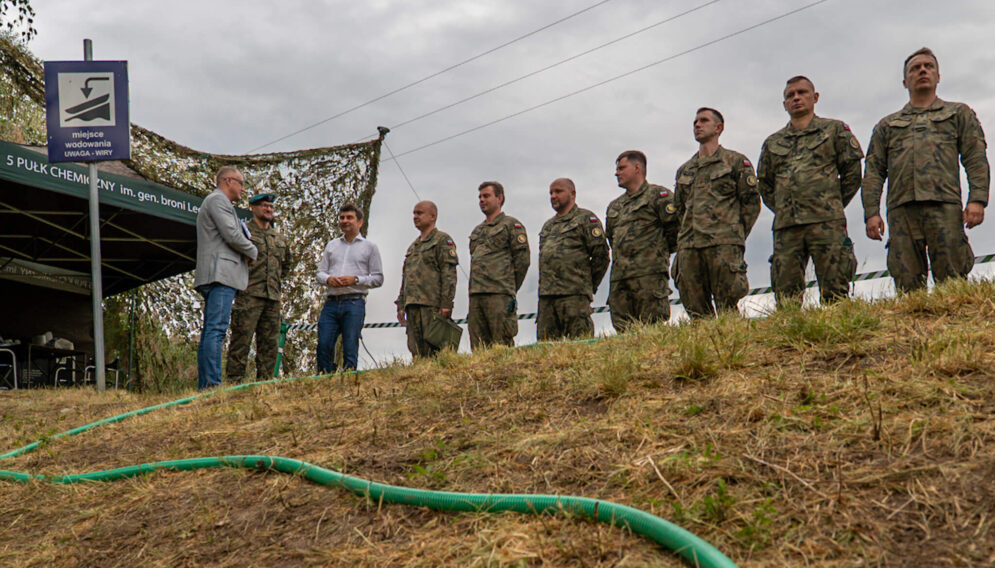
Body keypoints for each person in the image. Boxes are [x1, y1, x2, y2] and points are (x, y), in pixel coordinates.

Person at [862, 47, 989, 292]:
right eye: (915, 68)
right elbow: (874, 172)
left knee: (953, 285)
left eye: (928, 67)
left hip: (945, 208)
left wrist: (977, 200)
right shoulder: (887, 125)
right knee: (908, 287)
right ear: (905, 81)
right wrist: (871, 213)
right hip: (901, 212)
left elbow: (975, 158)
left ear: (938, 77)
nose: (922, 70)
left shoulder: (957, 113)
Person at [757, 75, 863, 305]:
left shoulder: (834, 129)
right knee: (786, 296)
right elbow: (764, 184)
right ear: (784, 104)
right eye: (790, 95)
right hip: (787, 227)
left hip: (826, 222)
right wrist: (784, 208)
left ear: (815, 97)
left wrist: (831, 202)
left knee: (836, 291)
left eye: (802, 93)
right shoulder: (773, 142)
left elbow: (853, 173)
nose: (796, 98)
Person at [673, 108, 761, 318]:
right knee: (697, 313)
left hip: (723, 245)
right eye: (695, 121)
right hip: (690, 247)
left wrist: (733, 235)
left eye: (704, 121)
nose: (697, 125)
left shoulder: (735, 161)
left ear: (719, 128)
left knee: (728, 308)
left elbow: (751, 204)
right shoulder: (685, 170)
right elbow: (680, 209)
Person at [194, 166, 258, 390]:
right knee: (216, 329)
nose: (242, 188)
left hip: (217, 273)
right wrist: (252, 251)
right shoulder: (217, 201)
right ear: (228, 181)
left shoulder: (217, 202)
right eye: (240, 183)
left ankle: (207, 384)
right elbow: (232, 234)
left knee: (211, 329)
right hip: (220, 275)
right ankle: (212, 384)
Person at [605, 150, 679, 332]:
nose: (617, 173)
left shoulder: (658, 196)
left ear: (637, 168)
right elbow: (611, 239)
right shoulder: (615, 206)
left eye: (622, 168)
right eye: (617, 169)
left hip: (649, 278)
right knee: (624, 334)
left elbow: (676, 231)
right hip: (620, 281)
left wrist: (655, 255)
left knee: (652, 333)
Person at [225, 192, 294, 381]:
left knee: (269, 345)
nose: (269, 209)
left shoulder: (278, 237)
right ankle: (234, 383)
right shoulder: (243, 232)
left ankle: (264, 384)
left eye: (271, 207)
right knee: (241, 342)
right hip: (248, 295)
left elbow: (286, 265)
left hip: (272, 298)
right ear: (253, 208)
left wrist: (274, 283)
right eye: (264, 206)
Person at [537, 178, 609, 340]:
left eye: (558, 191)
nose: (554, 196)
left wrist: (587, 285)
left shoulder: (585, 219)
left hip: (574, 297)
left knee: (581, 346)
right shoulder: (548, 226)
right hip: (548, 299)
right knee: (545, 351)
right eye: (551, 193)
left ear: (572, 193)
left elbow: (601, 256)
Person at [315, 203, 383, 372]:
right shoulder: (332, 245)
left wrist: (356, 279)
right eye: (342, 217)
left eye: (349, 218)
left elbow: (378, 278)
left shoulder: (370, 247)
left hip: (354, 303)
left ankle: (348, 381)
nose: (345, 221)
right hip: (331, 303)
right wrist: (328, 279)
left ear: (360, 222)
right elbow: (320, 273)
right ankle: (325, 379)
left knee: (350, 346)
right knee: (323, 343)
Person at [468, 181, 529, 351]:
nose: (481, 200)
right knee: (479, 349)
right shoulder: (477, 231)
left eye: (486, 196)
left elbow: (522, 261)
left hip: (500, 295)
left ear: (499, 198)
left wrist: (508, 287)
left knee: (501, 347)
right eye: (479, 196)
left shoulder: (511, 225)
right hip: (476, 296)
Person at [395, 201, 459, 358]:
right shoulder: (413, 247)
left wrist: (446, 304)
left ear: (433, 216)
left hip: (432, 307)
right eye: (414, 213)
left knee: (436, 352)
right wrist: (401, 304)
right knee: (416, 352)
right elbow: (406, 278)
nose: (415, 217)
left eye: (419, 213)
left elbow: (449, 275)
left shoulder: (442, 240)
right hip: (413, 307)